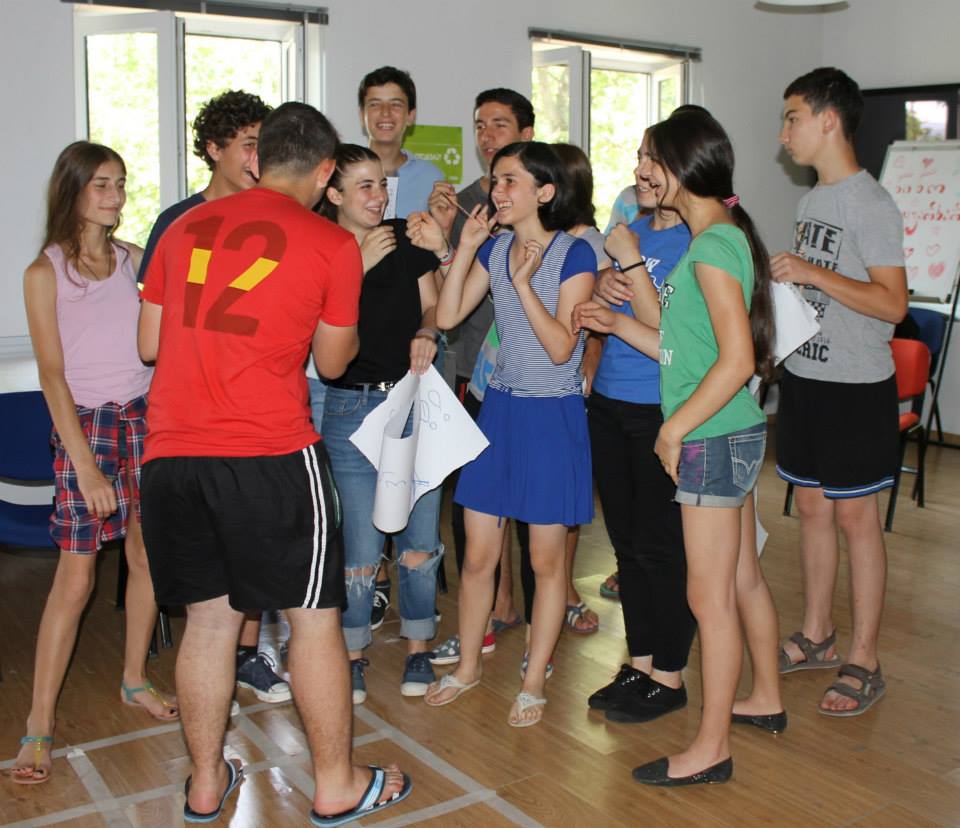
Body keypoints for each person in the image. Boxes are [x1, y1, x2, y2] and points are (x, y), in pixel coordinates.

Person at [138, 102, 411, 825]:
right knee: (313, 620)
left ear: (258, 159)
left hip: (171, 455)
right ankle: (336, 784)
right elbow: (333, 362)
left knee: (209, 623)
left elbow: (148, 343)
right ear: (324, 173)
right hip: (269, 453)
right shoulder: (331, 243)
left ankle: (205, 785)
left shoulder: (183, 227)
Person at [575, 109, 783, 785]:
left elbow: (737, 360)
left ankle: (710, 747)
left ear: (684, 167)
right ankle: (760, 702)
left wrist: (672, 428)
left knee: (707, 598)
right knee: (735, 583)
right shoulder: (711, 239)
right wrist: (615, 325)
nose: (640, 170)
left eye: (651, 159)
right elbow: (678, 347)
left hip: (711, 437)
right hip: (723, 432)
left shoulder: (715, 245)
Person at [409, 141, 596, 727]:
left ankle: (534, 681)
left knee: (545, 561)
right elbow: (446, 317)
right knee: (477, 557)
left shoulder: (575, 255)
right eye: (495, 180)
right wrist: (465, 247)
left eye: (511, 180)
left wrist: (522, 284)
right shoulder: (495, 247)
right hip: (501, 410)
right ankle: (468, 667)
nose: (498, 191)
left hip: (552, 417)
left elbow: (562, 348)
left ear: (545, 191)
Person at [12, 141, 176, 785]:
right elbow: (52, 377)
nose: (116, 196)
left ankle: (134, 679)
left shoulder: (133, 259)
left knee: (146, 556)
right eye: (102, 185)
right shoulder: (44, 272)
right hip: (86, 427)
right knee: (76, 580)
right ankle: (38, 724)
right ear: (73, 190)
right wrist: (84, 465)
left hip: (144, 416)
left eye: (121, 184)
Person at [138, 88, 290, 706]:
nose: (258, 157)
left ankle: (250, 654)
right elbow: (151, 339)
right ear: (213, 149)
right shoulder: (178, 222)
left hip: (259, 416)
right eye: (248, 144)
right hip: (192, 419)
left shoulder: (279, 220)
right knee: (207, 582)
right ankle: (212, 667)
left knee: (254, 551)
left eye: (264, 145)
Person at [773, 67, 907, 716]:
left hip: (856, 387)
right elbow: (812, 291)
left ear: (829, 120)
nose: (784, 133)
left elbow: (892, 304)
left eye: (792, 118)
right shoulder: (811, 202)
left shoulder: (870, 203)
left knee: (857, 519)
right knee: (812, 509)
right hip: (807, 379)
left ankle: (865, 658)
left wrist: (812, 273)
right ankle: (818, 633)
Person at [316, 144, 444, 703]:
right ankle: (352, 655)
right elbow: (316, 332)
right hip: (348, 407)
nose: (378, 196)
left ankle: (418, 647)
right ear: (335, 194)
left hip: (411, 401)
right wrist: (355, 265)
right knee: (360, 548)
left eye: (381, 184)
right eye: (364, 186)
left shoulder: (403, 238)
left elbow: (433, 306)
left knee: (419, 539)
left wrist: (428, 331)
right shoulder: (323, 248)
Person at [584, 126, 697, 724]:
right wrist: (606, 282)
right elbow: (619, 301)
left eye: (654, 160)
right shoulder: (637, 229)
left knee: (661, 547)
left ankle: (669, 675)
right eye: (639, 158)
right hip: (610, 400)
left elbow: (670, 334)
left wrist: (625, 257)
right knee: (626, 546)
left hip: (660, 407)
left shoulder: (699, 239)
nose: (641, 170)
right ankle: (641, 660)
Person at [424, 89, 536, 662]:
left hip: (538, 377)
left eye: (499, 124)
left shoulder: (548, 199)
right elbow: (447, 291)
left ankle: (545, 617)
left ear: (527, 132)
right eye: (480, 126)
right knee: (477, 502)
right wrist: (447, 233)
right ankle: (495, 608)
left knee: (537, 510)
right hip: (474, 369)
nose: (487, 135)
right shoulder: (467, 201)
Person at [359, 65, 444, 217]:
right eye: (375, 104)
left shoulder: (432, 178)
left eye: (396, 104)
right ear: (362, 115)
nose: (385, 112)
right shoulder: (344, 173)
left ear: (411, 115)